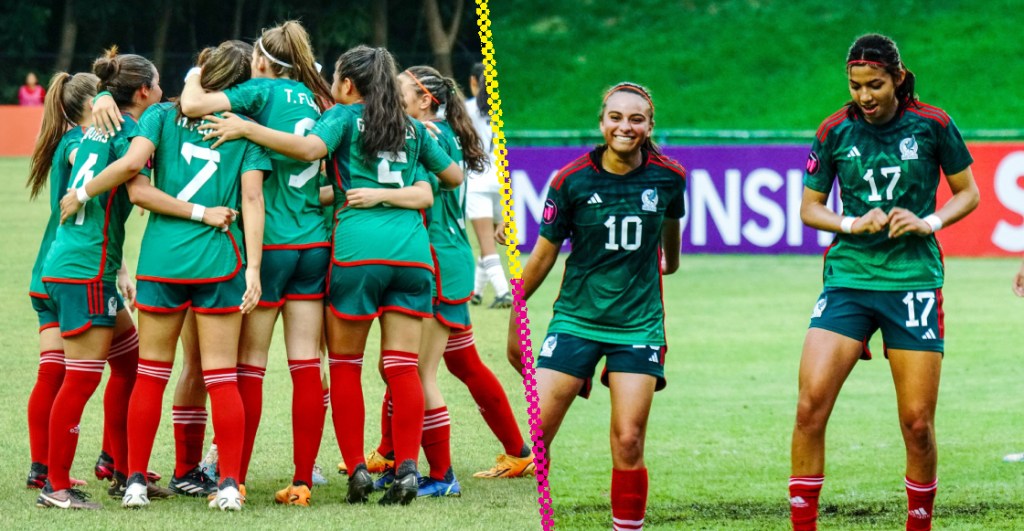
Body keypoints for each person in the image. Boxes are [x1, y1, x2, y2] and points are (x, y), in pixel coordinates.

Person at [198, 44, 461, 506]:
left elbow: (307, 149)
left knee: (340, 366)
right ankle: (406, 469)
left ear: (346, 85)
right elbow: (452, 177)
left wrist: (248, 127)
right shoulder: (414, 127)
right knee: (401, 369)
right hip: (412, 257)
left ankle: (352, 466)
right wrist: (393, 193)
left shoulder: (342, 117)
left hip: (353, 253)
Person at [60, 40, 269, 511]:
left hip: (160, 263)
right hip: (220, 264)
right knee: (222, 378)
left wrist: (105, 97)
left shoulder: (159, 116)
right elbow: (252, 201)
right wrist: (254, 268)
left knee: (152, 374)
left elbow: (137, 186)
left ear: (200, 72)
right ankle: (231, 485)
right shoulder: (245, 128)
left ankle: (133, 481)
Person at [788, 34, 979, 531]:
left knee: (917, 425)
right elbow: (809, 208)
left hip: (913, 280)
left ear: (897, 78)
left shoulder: (934, 124)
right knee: (810, 407)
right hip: (849, 278)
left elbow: (968, 194)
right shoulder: (834, 130)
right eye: (855, 86)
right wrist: (852, 224)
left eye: (874, 85)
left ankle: (919, 525)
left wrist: (929, 222)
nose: (864, 96)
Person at [510, 82, 685, 530]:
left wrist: (672, 261)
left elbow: (671, 220)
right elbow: (545, 253)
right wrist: (516, 305)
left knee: (628, 439)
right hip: (576, 319)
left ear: (649, 126)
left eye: (636, 119)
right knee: (537, 436)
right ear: (602, 121)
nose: (624, 127)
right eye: (616, 118)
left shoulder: (670, 176)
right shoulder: (570, 181)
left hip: (637, 325)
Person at [177, 20, 333, 507]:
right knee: (307, 363)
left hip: (271, 246)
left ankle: (234, 476)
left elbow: (192, 105)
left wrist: (192, 72)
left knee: (250, 367)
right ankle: (304, 480)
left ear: (262, 60)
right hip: (315, 244)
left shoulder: (259, 89)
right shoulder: (314, 99)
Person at [34, 47, 169, 510]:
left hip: (82, 266)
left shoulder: (80, 136)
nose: (164, 93)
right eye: (158, 85)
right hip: (86, 272)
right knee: (81, 380)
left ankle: (119, 464)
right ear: (144, 91)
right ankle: (55, 486)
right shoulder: (129, 131)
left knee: (130, 365)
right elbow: (133, 168)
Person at [464, 63, 511, 308]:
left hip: (477, 180)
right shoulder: (500, 111)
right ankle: (477, 291)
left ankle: (504, 292)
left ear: (474, 82)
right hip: (500, 181)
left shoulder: (467, 109)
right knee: (490, 243)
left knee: (486, 243)